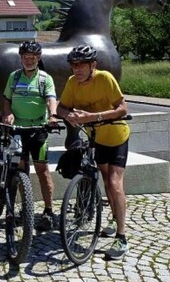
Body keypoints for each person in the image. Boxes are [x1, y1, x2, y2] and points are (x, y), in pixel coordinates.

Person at [56, 44, 130, 260]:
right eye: (74, 65)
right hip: (96, 139)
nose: (77, 69)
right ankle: (115, 217)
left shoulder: (105, 78)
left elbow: (123, 108)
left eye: (81, 65)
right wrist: (67, 115)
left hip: (116, 136)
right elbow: (60, 108)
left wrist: (92, 117)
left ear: (93, 65)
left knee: (115, 183)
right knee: (105, 180)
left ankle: (121, 236)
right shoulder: (72, 83)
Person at [2, 41, 59, 231]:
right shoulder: (14, 77)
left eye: (32, 57)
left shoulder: (45, 79)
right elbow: (7, 99)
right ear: (21, 58)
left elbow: (51, 99)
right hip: (18, 130)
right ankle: (23, 207)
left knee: (43, 170)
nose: (29, 60)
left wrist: (52, 115)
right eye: (26, 57)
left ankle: (48, 211)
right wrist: (7, 113)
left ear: (38, 58)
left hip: (39, 130)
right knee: (20, 169)